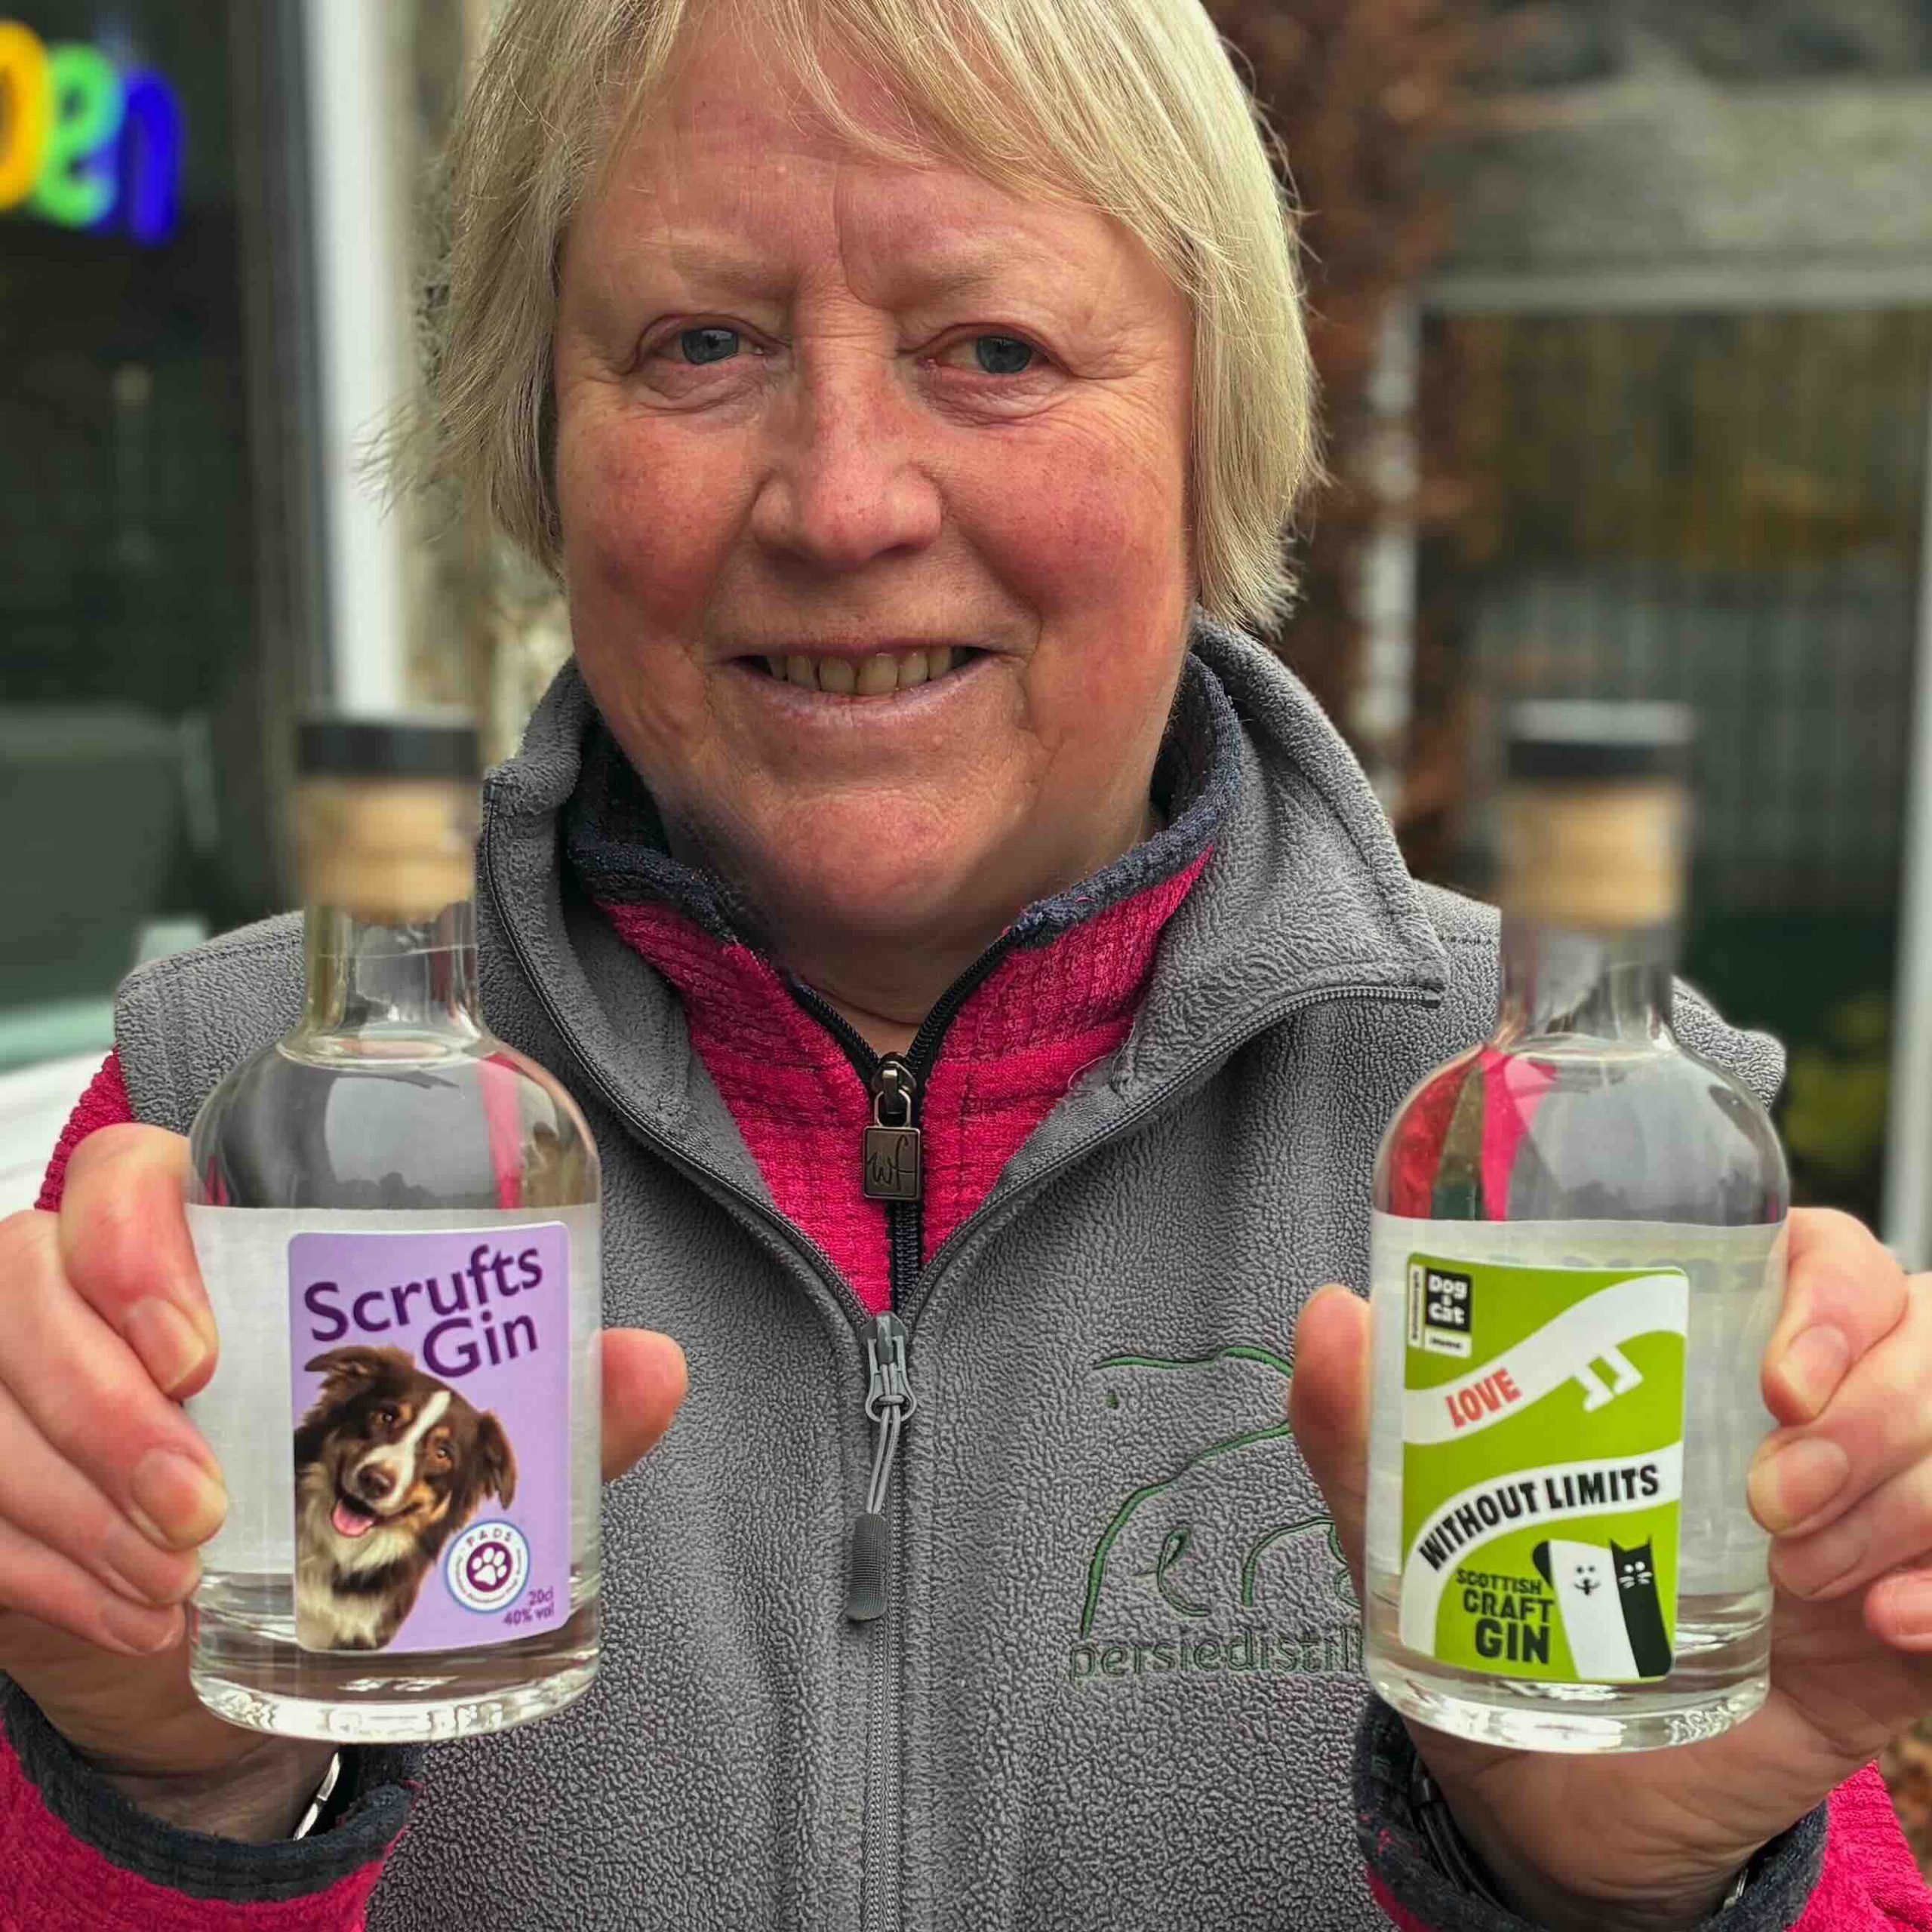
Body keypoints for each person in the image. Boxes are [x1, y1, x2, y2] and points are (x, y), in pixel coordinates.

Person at [5, 0, 1932, 1925]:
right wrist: (167, 1790)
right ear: (541, 438)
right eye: (700, 344)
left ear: (1208, 432)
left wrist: (1625, 1884)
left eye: (993, 350)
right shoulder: (237, 1141)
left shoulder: (1558, 1180)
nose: (843, 501)